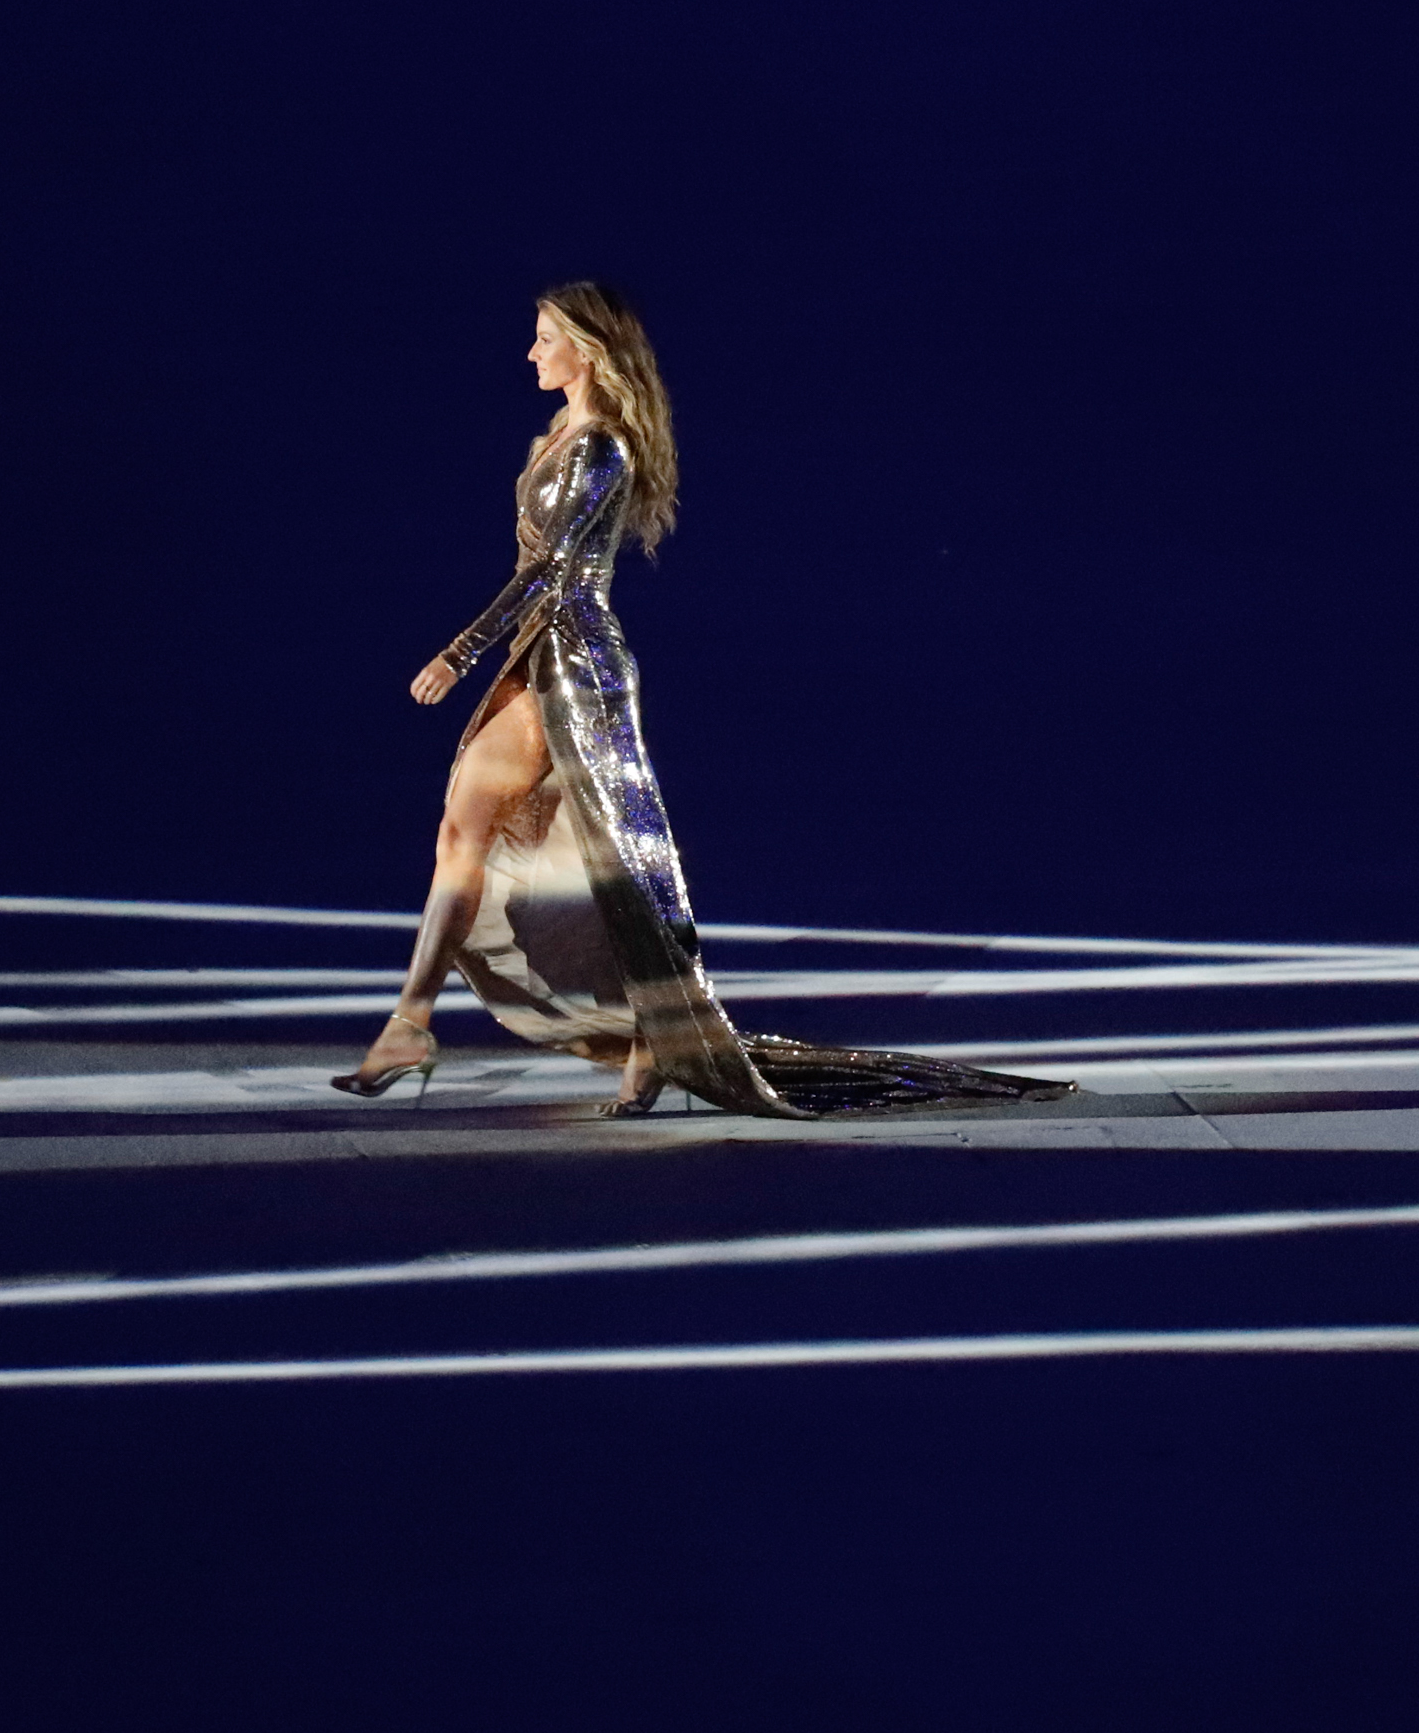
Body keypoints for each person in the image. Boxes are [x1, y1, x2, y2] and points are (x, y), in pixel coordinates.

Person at [332, 283, 1072, 1119]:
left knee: (601, 859)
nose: (532, 353)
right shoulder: (559, 436)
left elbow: (548, 573)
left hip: (578, 669)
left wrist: (457, 652)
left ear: (589, 349)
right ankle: (427, 1021)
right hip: (538, 656)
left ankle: (443, 1021)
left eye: (546, 339)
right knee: (471, 834)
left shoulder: (601, 449)